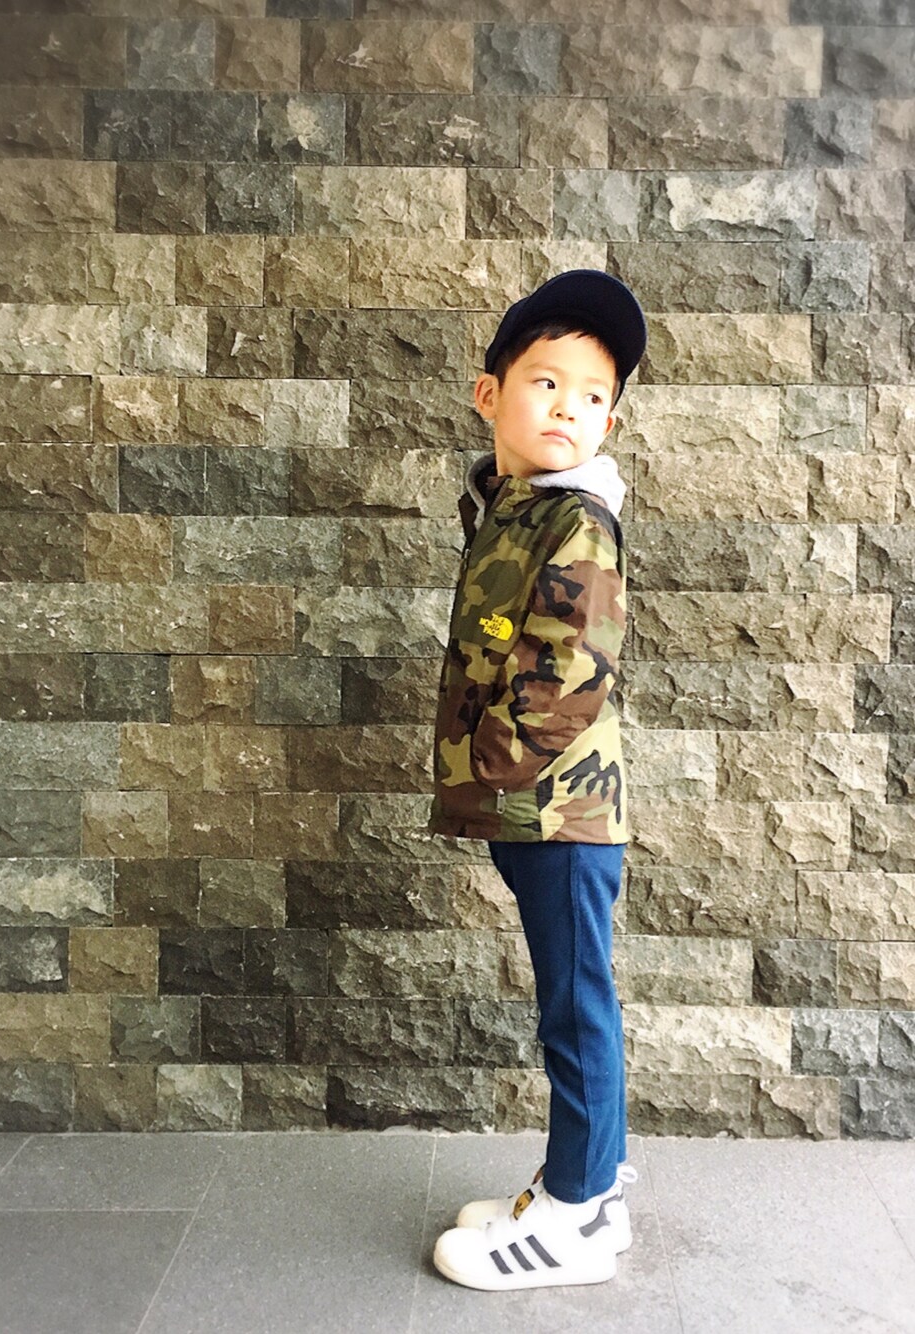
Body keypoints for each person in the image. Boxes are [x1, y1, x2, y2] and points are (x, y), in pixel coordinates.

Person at [428, 270, 647, 1292]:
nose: (568, 407)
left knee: (574, 1004)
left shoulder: (574, 520)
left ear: (610, 420)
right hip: (533, 806)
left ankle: (577, 1212)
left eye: (592, 395)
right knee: (572, 995)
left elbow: (569, 670)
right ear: (490, 394)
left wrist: (492, 765)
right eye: (546, 382)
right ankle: (591, 1185)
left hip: (560, 807)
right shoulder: (511, 506)